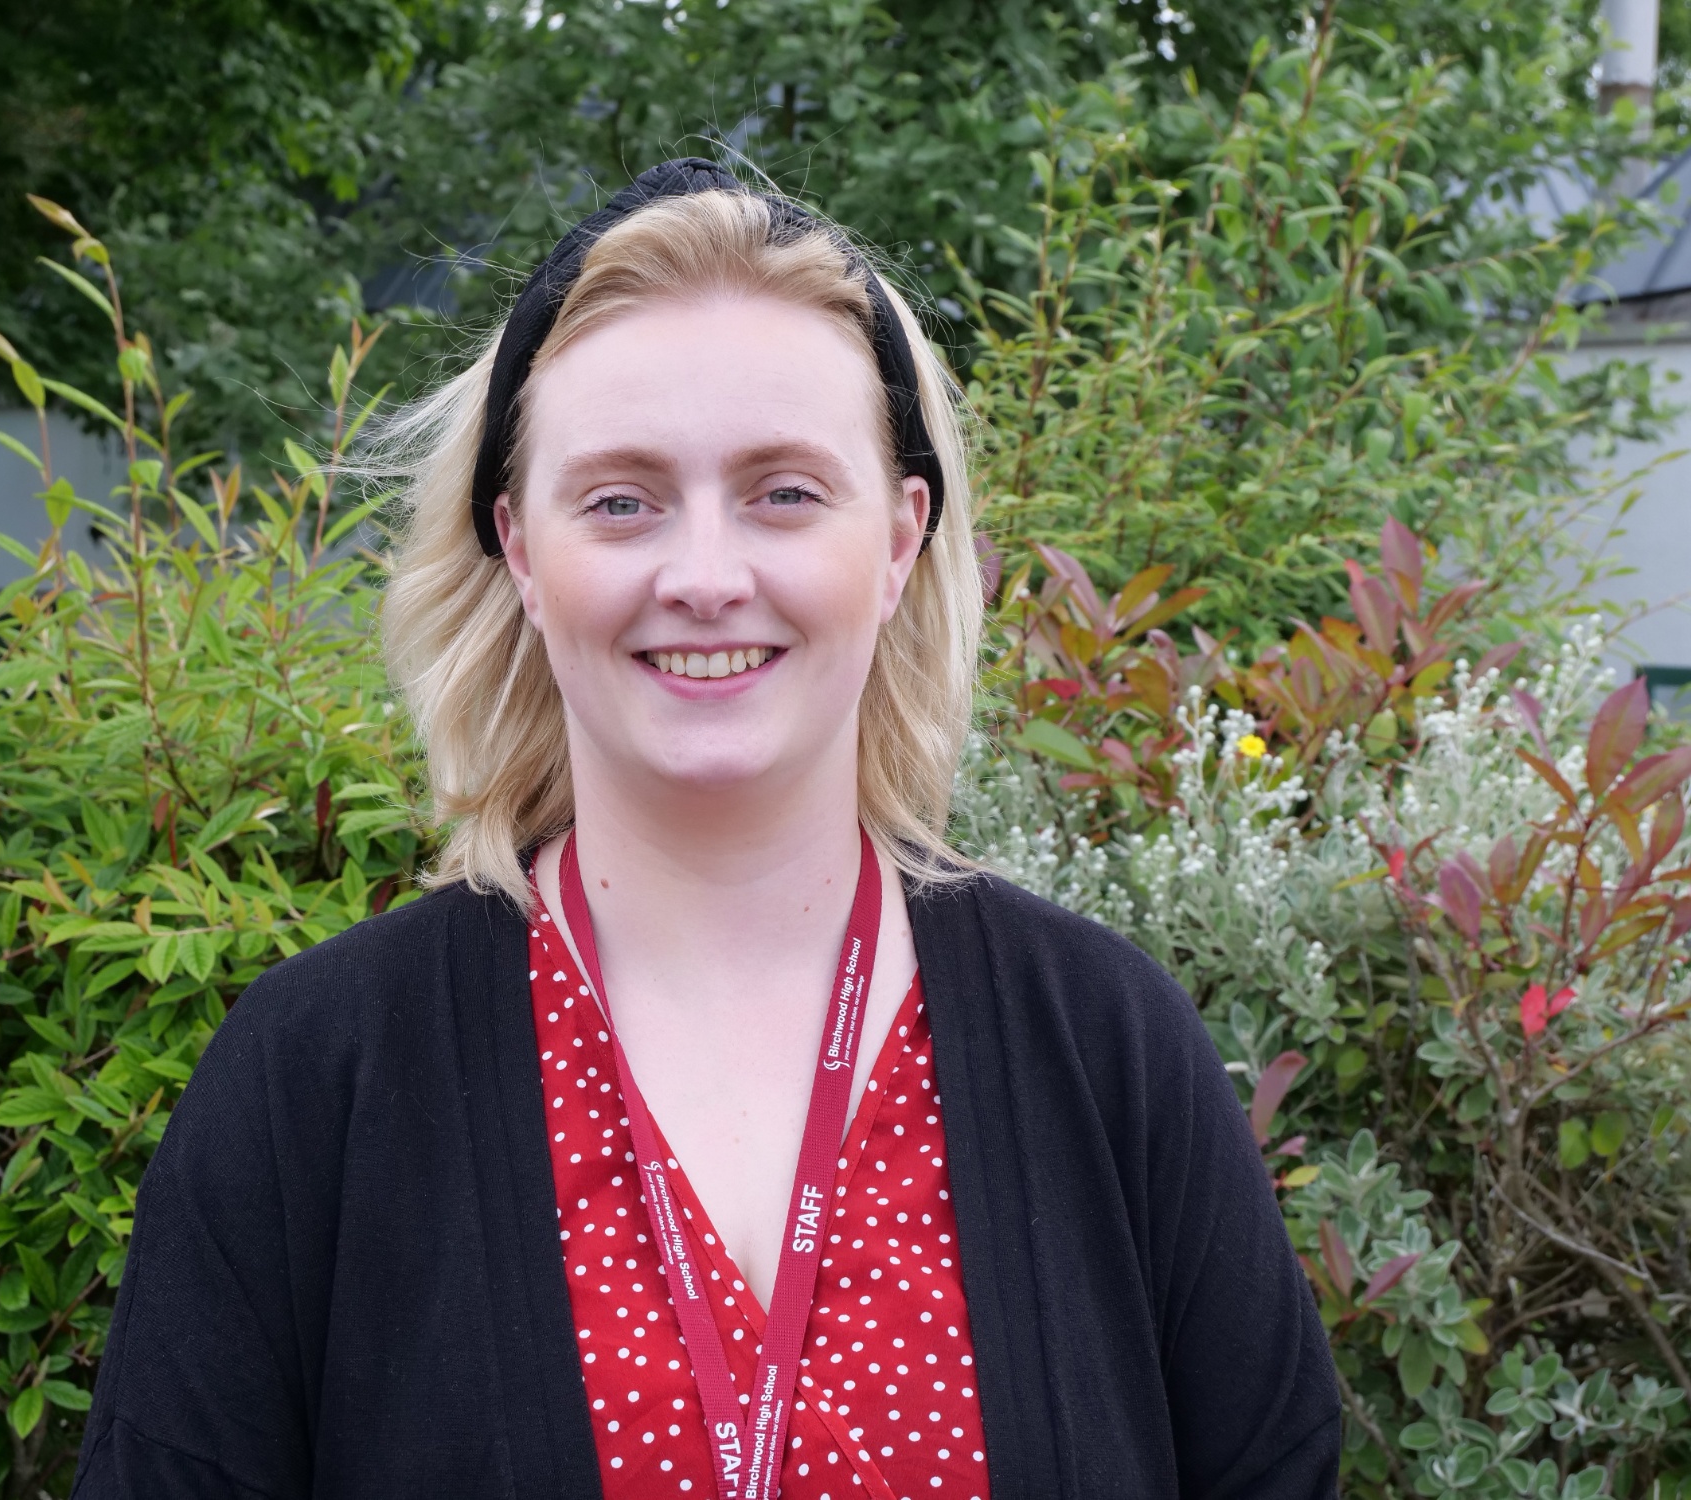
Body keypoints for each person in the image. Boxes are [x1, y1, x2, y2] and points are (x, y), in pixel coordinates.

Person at [71, 159, 1339, 1500]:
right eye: (620, 501)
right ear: (520, 549)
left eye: (784, 491)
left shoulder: (1105, 1045)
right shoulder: (312, 1079)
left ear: (900, 539)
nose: (706, 576)